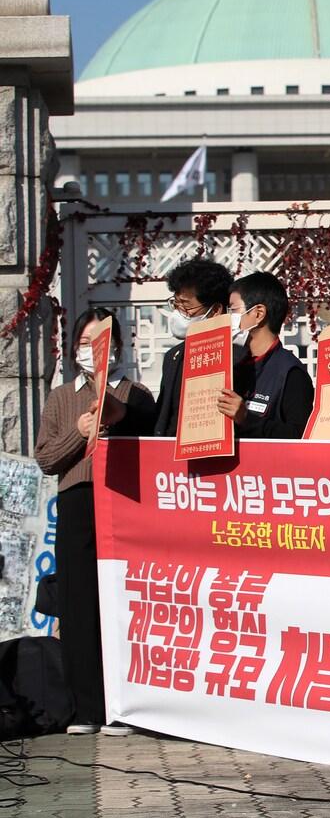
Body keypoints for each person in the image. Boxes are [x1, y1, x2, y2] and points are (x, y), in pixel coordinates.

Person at [35, 309, 156, 736]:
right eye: (84, 343)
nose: (91, 351)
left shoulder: (135, 393)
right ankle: (87, 708)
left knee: (121, 602)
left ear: (117, 347)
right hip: (77, 502)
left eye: (99, 342)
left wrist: (115, 414)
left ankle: (125, 707)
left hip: (123, 500)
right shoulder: (60, 397)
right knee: (79, 602)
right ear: (72, 350)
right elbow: (46, 457)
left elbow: (151, 436)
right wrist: (81, 430)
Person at [214, 271, 313, 438]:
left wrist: (246, 418)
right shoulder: (230, 364)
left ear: (258, 313)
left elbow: (299, 437)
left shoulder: (290, 373)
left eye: (233, 310)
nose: (228, 317)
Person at [153, 257, 232, 436]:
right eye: (176, 303)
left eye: (186, 306)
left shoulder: (234, 356)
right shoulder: (174, 356)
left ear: (215, 310)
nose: (177, 312)